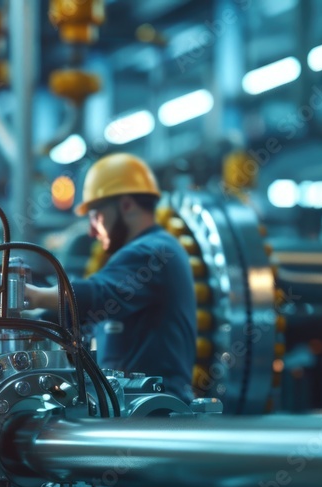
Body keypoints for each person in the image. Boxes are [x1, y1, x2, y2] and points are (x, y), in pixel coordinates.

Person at [25, 153, 197, 400]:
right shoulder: (137, 253)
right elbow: (83, 315)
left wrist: (33, 296)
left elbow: (98, 294)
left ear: (126, 205)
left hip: (153, 414)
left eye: (96, 215)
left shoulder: (154, 252)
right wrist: (31, 321)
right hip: (131, 409)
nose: (92, 230)